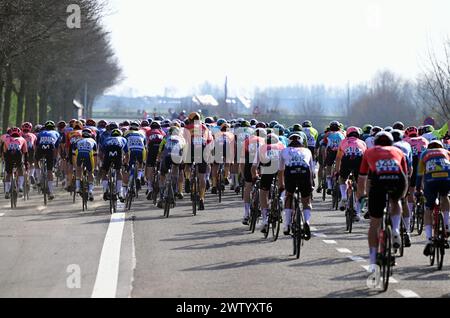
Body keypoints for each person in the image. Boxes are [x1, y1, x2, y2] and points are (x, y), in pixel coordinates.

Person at [357, 132, 408, 274]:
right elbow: (406, 175)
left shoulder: (369, 151)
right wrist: (402, 196)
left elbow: (362, 178)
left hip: (379, 182)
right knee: (396, 201)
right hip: (398, 180)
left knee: (375, 223)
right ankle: (396, 229)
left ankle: (373, 259)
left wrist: (361, 195)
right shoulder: (398, 151)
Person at [416, 140, 450, 256]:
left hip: (431, 181)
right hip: (446, 179)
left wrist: (417, 189)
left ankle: (429, 239)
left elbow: (419, 174)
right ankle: (447, 225)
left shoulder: (424, 154)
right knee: (445, 197)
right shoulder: (446, 152)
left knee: (428, 209)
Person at [280, 133, 314, 238]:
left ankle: (286, 225)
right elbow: (312, 170)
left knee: (289, 196)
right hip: (304, 171)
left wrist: (281, 185)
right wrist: (311, 184)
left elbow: (280, 170)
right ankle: (307, 222)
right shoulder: (307, 151)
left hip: (291, 172)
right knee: (306, 200)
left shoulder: (284, 151)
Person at [252, 133, 285, 233]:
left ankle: (265, 218)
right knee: (282, 186)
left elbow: (254, 167)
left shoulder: (262, 147)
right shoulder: (282, 146)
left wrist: (255, 177)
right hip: (280, 168)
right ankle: (281, 199)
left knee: (263, 192)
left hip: (267, 168)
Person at [335, 126, 367, 219]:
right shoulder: (363, 143)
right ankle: (357, 213)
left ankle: (344, 196)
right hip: (359, 161)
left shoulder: (343, 142)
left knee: (342, 179)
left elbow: (338, 158)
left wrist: (337, 171)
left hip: (347, 159)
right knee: (359, 188)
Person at [100, 129, 128, 202]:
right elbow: (127, 154)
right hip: (118, 151)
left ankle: (105, 190)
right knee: (119, 171)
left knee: (104, 172)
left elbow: (101, 152)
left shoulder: (107, 139)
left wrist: (103, 163)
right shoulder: (123, 139)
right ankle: (119, 192)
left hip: (108, 151)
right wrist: (125, 163)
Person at [36, 121, 60, 200]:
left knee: (36, 161)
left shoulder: (40, 133)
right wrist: (55, 158)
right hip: (50, 149)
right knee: (50, 171)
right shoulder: (56, 133)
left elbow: (36, 145)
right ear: (53, 127)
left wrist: (36, 157)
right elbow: (56, 148)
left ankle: (39, 178)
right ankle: (51, 192)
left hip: (41, 149)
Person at [2, 128, 28, 199]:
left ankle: (7, 191)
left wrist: (5, 160)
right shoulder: (22, 139)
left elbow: (4, 152)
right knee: (20, 169)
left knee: (8, 174)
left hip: (9, 155)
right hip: (18, 155)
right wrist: (25, 164)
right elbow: (25, 153)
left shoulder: (6, 139)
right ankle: (20, 187)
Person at [74, 129, 97, 201]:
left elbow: (74, 154)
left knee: (78, 169)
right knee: (90, 172)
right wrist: (95, 167)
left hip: (80, 155)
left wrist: (76, 167)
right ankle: (90, 190)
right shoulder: (93, 141)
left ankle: (77, 187)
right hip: (88, 155)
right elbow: (95, 155)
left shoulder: (78, 141)